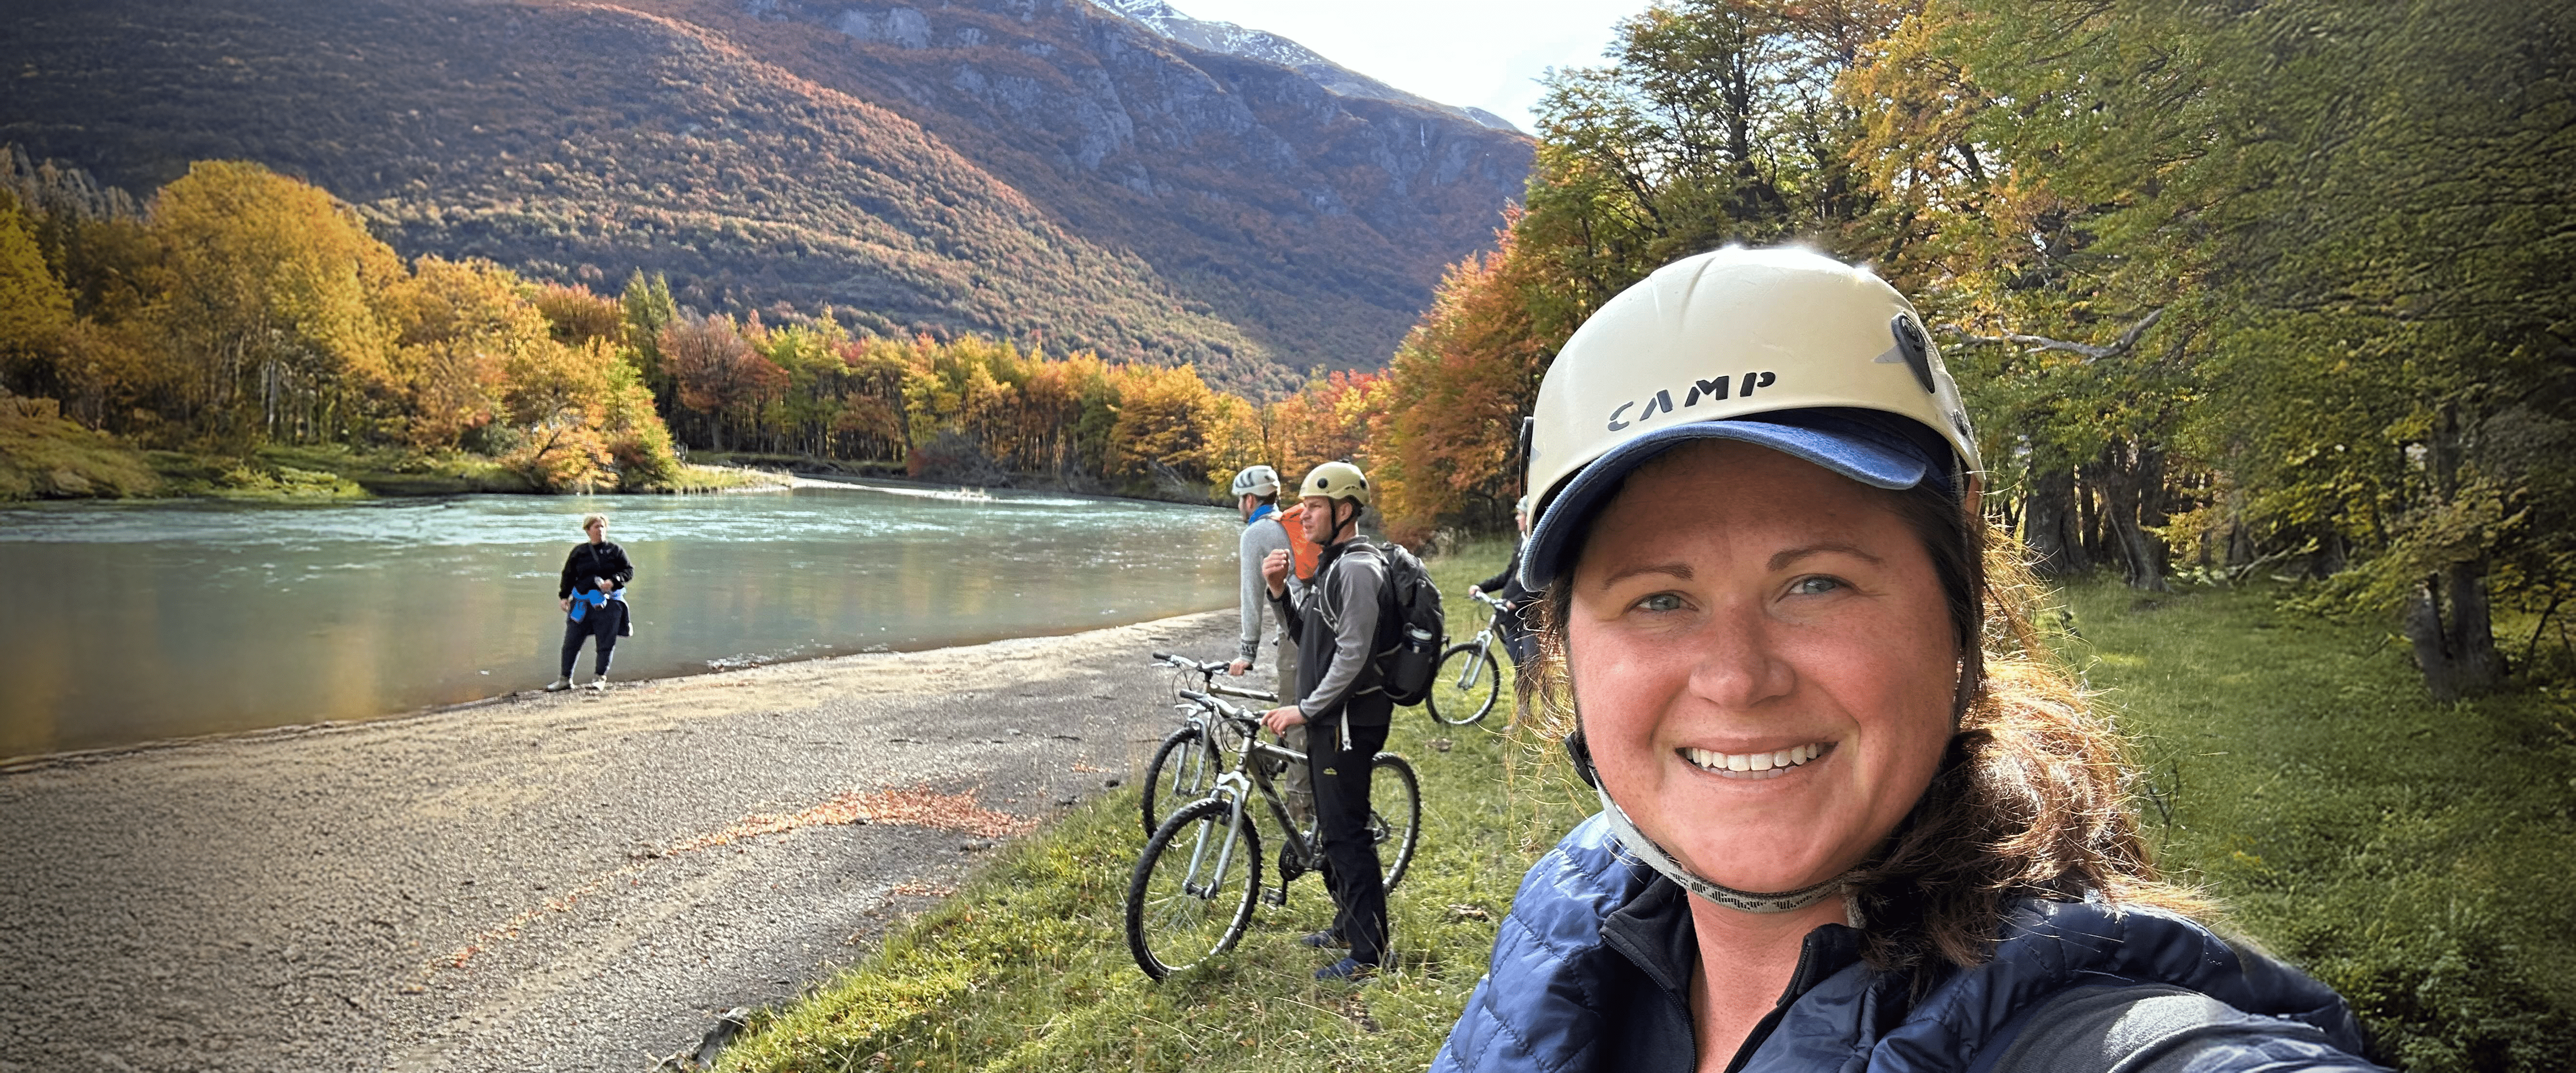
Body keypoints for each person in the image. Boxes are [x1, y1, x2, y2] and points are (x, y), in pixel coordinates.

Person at [1433, 248, 2382, 1071]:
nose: (1736, 677)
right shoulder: (1577, 904)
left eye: (1816, 582)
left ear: (1958, 600)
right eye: (1657, 599)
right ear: (1562, 642)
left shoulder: (2099, 1033)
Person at [1262, 460, 1392, 982]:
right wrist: (1279, 591)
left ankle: (1369, 954)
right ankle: (1346, 925)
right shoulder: (1330, 565)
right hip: (1329, 722)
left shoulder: (1357, 570)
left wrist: (1307, 708)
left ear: (1344, 511)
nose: (1304, 516)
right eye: (1303, 507)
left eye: (1314, 507)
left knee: (1347, 833)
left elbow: (1355, 656)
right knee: (1334, 832)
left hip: (1347, 724)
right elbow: (1307, 638)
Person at [1225, 464, 1312, 820]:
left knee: (1294, 716)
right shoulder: (1286, 523)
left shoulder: (1256, 533)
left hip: (1297, 631)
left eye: (1240, 500)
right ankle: (1290, 773)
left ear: (1250, 500)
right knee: (1297, 705)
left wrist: (1247, 652)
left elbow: (1252, 595)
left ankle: (1302, 808)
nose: (1239, 506)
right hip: (1313, 622)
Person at [549, 514, 633, 692]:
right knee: (571, 642)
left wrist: (615, 580)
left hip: (609, 604)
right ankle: (565, 680)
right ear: (588, 530)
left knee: (605, 643)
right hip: (581, 603)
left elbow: (628, 571)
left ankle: (599, 679)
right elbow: (568, 575)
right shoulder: (579, 552)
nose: (600, 530)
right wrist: (564, 597)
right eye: (596, 527)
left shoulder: (616, 551)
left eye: (603, 526)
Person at [1465, 497, 1539, 669]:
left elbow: (1542, 586)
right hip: (1511, 616)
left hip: (1528, 617)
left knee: (1532, 668)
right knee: (1519, 666)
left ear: (1530, 517)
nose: (1517, 518)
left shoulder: (1537, 546)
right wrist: (1482, 587)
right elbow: (1509, 575)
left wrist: (1516, 602)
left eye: (1520, 514)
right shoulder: (1522, 541)